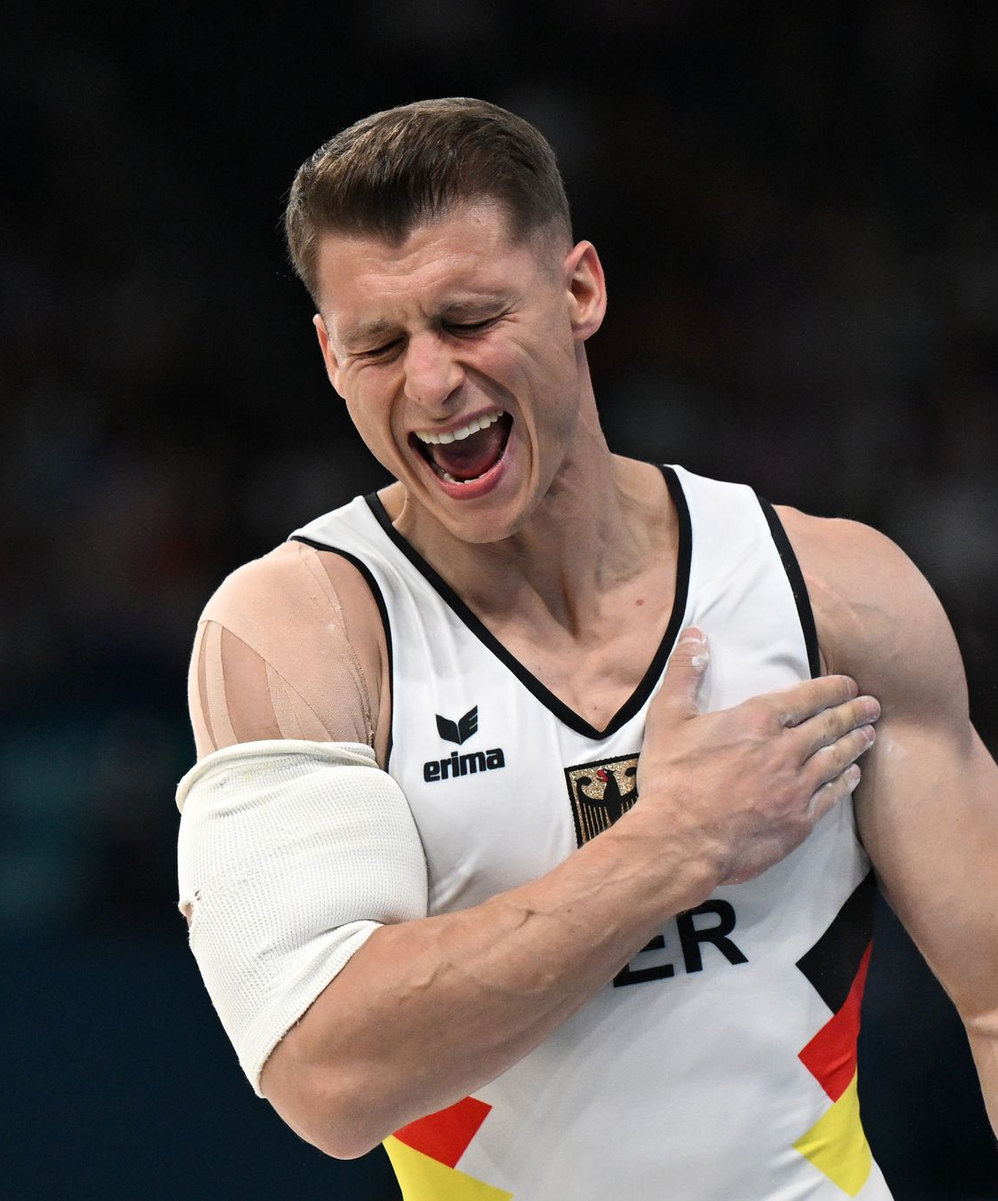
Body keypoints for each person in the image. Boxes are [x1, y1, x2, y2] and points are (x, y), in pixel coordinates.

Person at [175, 98, 998, 1199]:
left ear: (579, 291)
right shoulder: (305, 632)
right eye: (379, 343)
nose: (431, 383)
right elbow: (326, 1078)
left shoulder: (830, 591)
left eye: (468, 320)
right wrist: (666, 847)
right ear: (328, 354)